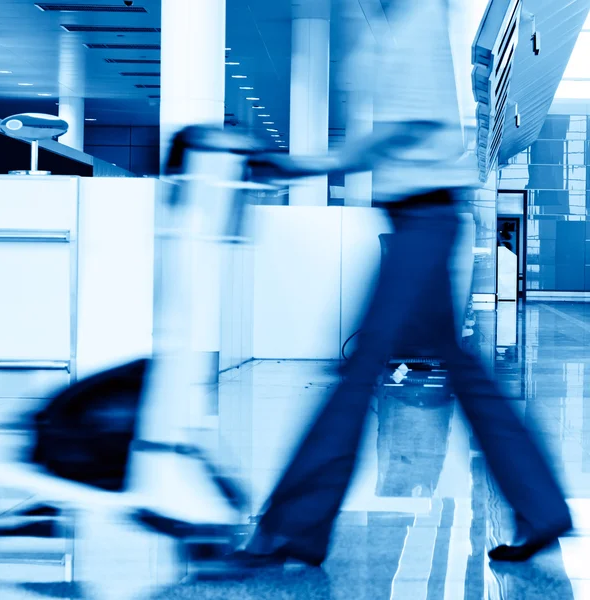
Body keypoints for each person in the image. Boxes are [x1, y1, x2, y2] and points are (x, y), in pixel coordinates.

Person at [231, 0, 572, 569]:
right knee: (462, 374)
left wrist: (307, 165)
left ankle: (292, 528)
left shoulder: (416, 16)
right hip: (417, 217)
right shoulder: (392, 21)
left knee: (361, 370)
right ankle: (541, 509)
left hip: (424, 218)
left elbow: (410, 127)